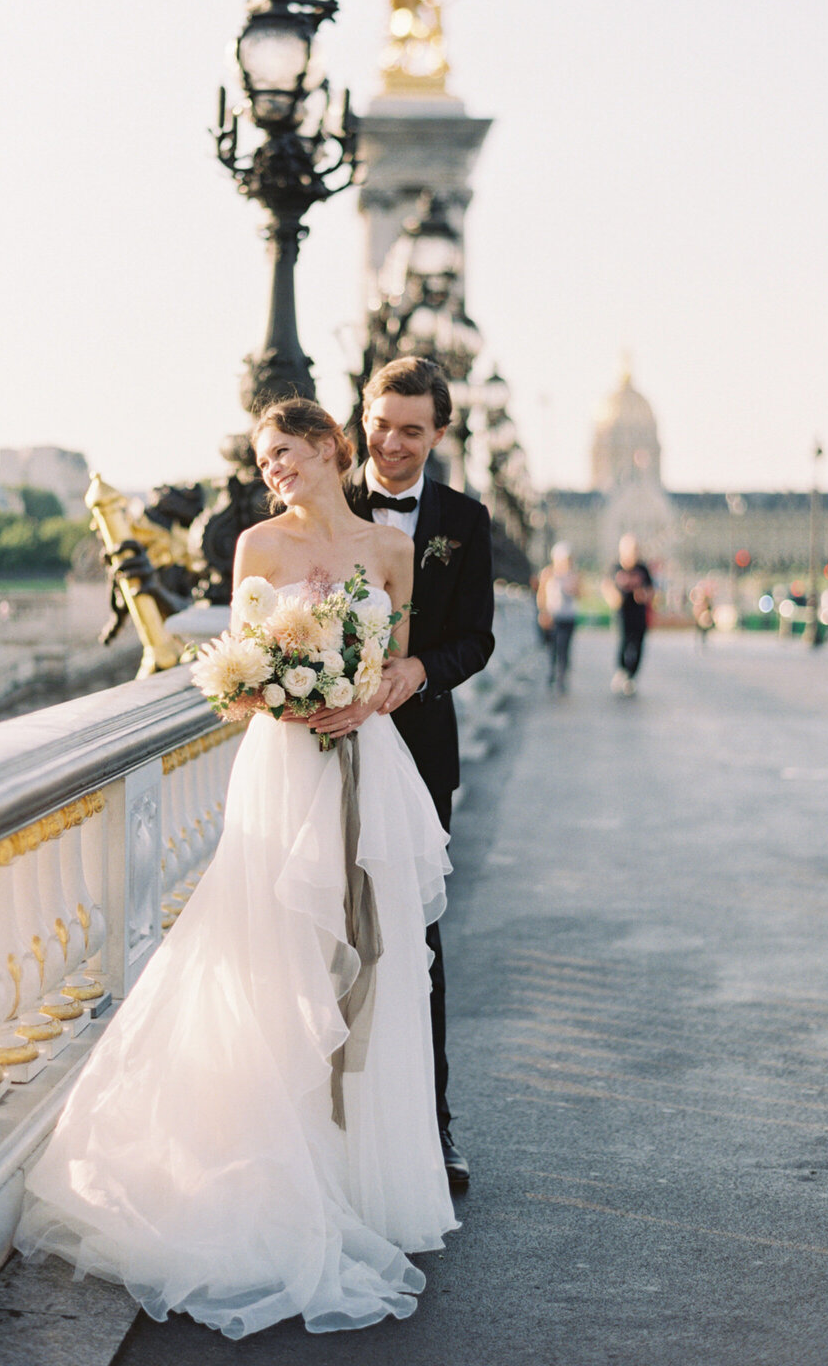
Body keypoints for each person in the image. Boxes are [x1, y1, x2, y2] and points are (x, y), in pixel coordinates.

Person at [15, 398, 457, 1337]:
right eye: (263, 462)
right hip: (283, 771)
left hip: (367, 764)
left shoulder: (389, 553)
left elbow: (400, 658)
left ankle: (357, 1181)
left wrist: (363, 697)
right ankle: (277, 1161)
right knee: (272, 956)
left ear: (333, 449)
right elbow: (238, 672)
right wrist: (287, 698)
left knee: (373, 962)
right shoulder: (254, 547)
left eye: (287, 454)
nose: (274, 474)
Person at [334, 356, 495, 1188]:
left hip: (420, 753)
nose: (390, 444)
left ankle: (431, 1125)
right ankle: (325, 1122)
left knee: (414, 939)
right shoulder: (326, 498)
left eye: (411, 430)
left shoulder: (465, 521)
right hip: (325, 751)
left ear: (440, 433)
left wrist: (419, 671)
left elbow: (477, 636)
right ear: (360, 412)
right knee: (324, 934)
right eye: (379, 422)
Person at [603, 533, 654, 696]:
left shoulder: (642, 569)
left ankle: (631, 676)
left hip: (639, 613)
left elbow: (651, 589)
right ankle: (622, 670)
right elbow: (607, 585)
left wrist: (645, 595)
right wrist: (612, 597)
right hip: (623, 612)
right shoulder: (616, 567)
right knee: (624, 642)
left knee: (638, 644)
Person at [537, 542, 582, 692]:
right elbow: (541, 595)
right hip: (552, 616)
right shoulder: (548, 573)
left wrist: (573, 588)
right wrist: (543, 612)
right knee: (553, 648)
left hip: (568, 617)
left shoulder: (573, 575)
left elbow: (580, 594)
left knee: (564, 648)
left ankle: (562, 676)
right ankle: (551, 672)